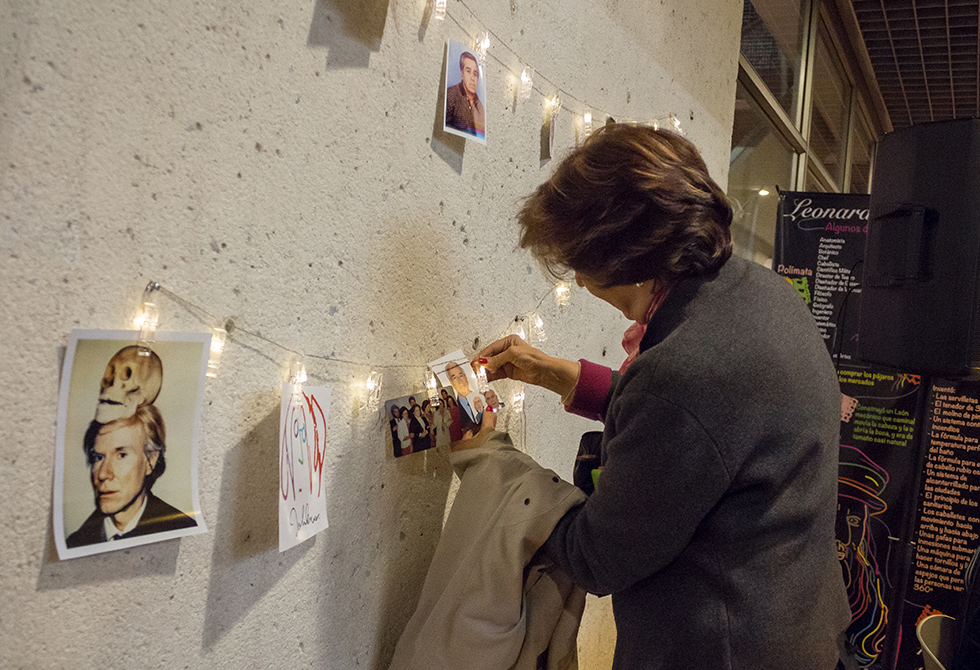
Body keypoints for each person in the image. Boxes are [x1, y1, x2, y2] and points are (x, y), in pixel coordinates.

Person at [463, 124, 852, 669]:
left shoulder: (681, 374)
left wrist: (490, 459)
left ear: (623, 254)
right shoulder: (759, 292)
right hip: (797, 626)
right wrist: (563, 376)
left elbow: (598, 556)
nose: (579, 282)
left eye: (581, 262)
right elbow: (712, 432)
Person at [67, 404, 197, 547]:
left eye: (121, 455)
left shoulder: (182, 529)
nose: (103, 474)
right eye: (98, 457)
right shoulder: (75, 543)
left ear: (150, 461)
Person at [445, 50, 485, 139]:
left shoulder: (479, 106)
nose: (472, 78)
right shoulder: (451, 95)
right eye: (468, 71)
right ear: (462, 74)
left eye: (475, 74)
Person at [445, 361, 481, 436]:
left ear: (466, 377)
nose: (459, 381)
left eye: (461, 376)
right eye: (454, 378)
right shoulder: (455, 409)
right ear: (451, 383)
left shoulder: (481, 395)